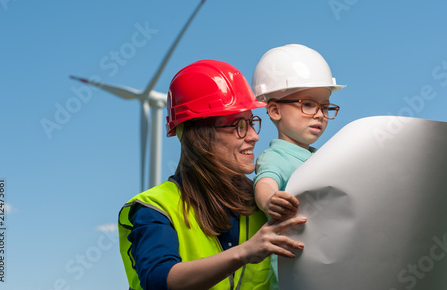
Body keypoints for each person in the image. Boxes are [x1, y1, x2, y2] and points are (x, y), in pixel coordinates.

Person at [118, 59, 307, 290]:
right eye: (238, 126)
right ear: (200, 136)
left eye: (251, 123)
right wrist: (244, 252)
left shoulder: (264, 202)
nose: (254, 136)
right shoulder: (156, 208)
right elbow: (158, 281)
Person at [251, 44, 346, 284]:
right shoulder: (277, 156)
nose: (320, 114)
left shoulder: (322, 158)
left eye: (325, 106)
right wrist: (271, 200)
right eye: (308, 104)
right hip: (293, 276)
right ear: (274, 110)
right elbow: (265, 181)